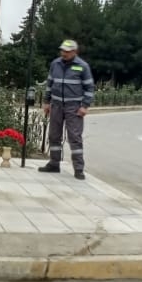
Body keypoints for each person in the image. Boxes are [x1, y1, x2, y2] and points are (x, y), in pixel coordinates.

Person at [38, 39, 94, 180]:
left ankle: (79, 169)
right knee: (54, 135)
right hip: (56, 105)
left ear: (75, 52)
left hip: (74, 107)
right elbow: (50, 84)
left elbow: (89, 88)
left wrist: (84, 106)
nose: (64, 53)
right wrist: (46, 102)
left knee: (74, 138)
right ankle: (54, 164)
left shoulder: (82, 66)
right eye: (62, 50)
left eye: (67, 51)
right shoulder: (55, 64)